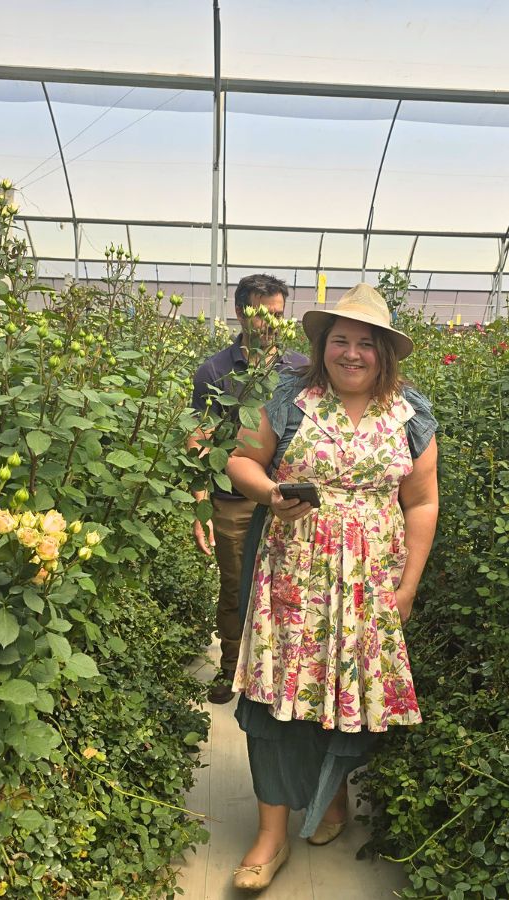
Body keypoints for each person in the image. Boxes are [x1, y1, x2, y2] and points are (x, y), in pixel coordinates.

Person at [224, 283, 439, 891]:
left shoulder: (411, 414)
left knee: (343, 689)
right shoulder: (290, 399)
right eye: (339, 341)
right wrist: (269, 493)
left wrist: (409, 585)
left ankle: (332, 799)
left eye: (365, 343)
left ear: (385, 353)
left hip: (369, 584)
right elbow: (241, 461)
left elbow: (421, 501)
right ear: (321, 347)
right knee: (275, 696)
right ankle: (270, 837)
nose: (351, 353)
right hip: (293, 579)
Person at [189, 274, 307, 705]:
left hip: (292, 499)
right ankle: (230, 667)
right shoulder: (216, 371)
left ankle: (280, 671)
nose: (271, 324)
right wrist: (201, 503)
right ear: (240, 312)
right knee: (236, 584)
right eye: (262, 314)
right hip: (234, 500)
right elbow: (200, 436)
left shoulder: (299, 369)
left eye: (278, 314)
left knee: (289, 585)